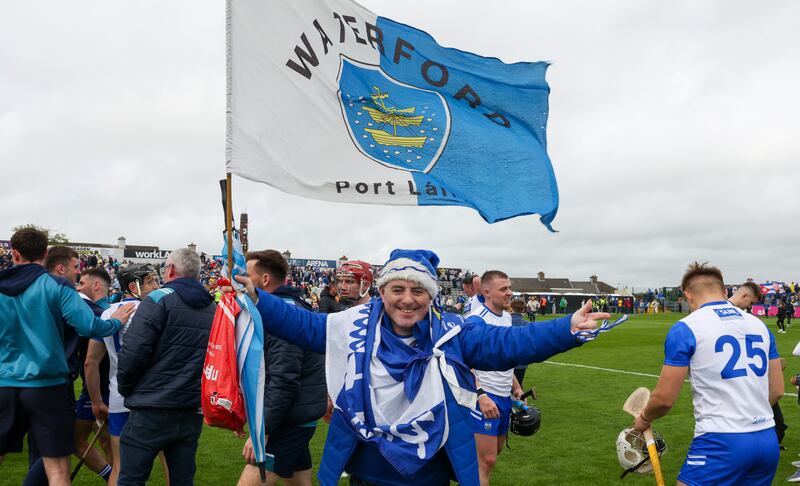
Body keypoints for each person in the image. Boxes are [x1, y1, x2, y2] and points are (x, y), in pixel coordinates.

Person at [235, 249, 610, 486]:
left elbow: (507, 344)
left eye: (418, 291)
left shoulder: (453, 332)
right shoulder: (352, 325)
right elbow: (302, 326)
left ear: (431, 296)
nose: (407, 299)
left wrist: (565, 329)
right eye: (397, 289)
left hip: (428, 472)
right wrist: (258, 300)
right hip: (366, 471)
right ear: (382, 293)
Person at [0, 227, 132, 486]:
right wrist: (115, 322)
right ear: (45, 253)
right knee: (57, 469)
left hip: (5, 384)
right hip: (47, 386)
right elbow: (89, 326)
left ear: (14, 254)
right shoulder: (56, 285)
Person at [632, 262, 783, 486]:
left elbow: (664, 400)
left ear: (687, 296)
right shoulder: (760, 326)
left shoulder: (686, 327)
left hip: (721, 440)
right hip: (767, 439)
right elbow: (778, 390)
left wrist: (643, 419)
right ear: (724, 292)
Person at [116, 249, 216, 486]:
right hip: (190, 408)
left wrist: (126, 388)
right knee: (182, 480)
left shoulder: (158, 299)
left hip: (153, 405)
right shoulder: (212, 308)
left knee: (131, 479)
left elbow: (134, 352)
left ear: (171, 270)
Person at [237, 250, 326, 486]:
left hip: (288, 420)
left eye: (247, 273)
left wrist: (262, 430)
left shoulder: (284, 315)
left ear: (264, 280)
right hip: (296, 414)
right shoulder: (286, 307)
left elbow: (283, 378)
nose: (242, 278)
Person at [85, 263, 161, 486]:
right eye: (150, 282)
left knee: (120, 467)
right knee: (169, 459)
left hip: (119, 396)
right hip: (153, 397)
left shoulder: (109, 312)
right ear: (132, 286)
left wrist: (97, 401)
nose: (156, 285)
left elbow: (91, 362)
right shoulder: (157, 309)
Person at [470, 272, 524, 486]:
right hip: (484, 396)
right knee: (487, 460)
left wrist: (516, 387)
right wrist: (480, 394)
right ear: (486, 292)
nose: (509, 293)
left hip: (503, 396)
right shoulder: (477, 320)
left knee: (495, 452)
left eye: (509, 287)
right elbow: (464, 363)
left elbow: (506, 357)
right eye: (503, 289)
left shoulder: (507, 317)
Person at [509, 299, 529, 385]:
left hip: (506, 359)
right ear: (523, 309)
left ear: (511, 308)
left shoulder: (504, 321)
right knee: (519, 385)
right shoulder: (527, 325)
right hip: (521, 360)